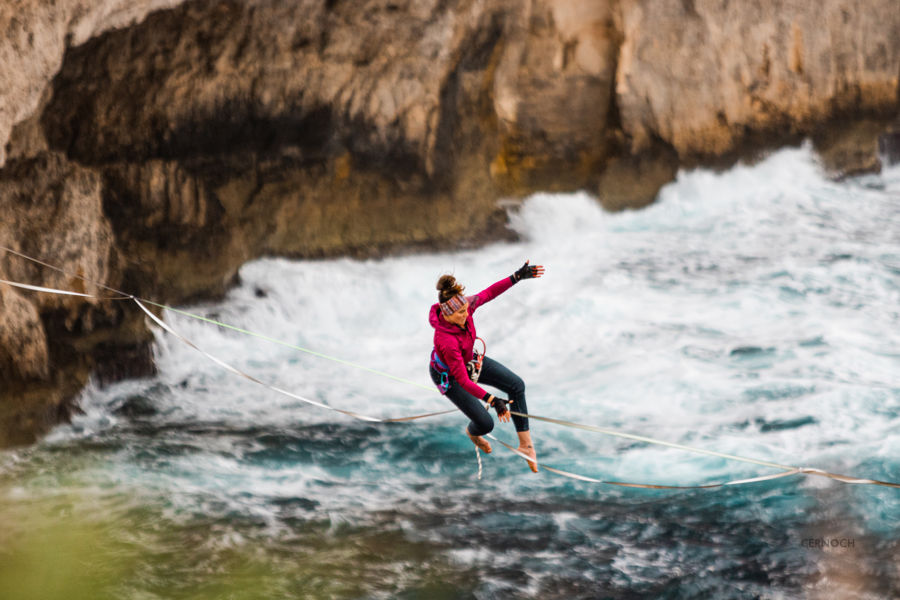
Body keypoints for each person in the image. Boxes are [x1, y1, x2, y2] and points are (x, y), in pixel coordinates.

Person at [428, 261, 545, 472]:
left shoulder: (465, 306)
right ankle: (473, 433)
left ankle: (526, 445)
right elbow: (462, 380)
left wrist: (516, 277)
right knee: (485, 423)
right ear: (447, 314)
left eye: (466, 309)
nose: (466, 315)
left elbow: (489, 293)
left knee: (516, 385)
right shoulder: (446, 340)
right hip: (449, 375)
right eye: (460, 313)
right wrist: (493, 400)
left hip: (468, 360)